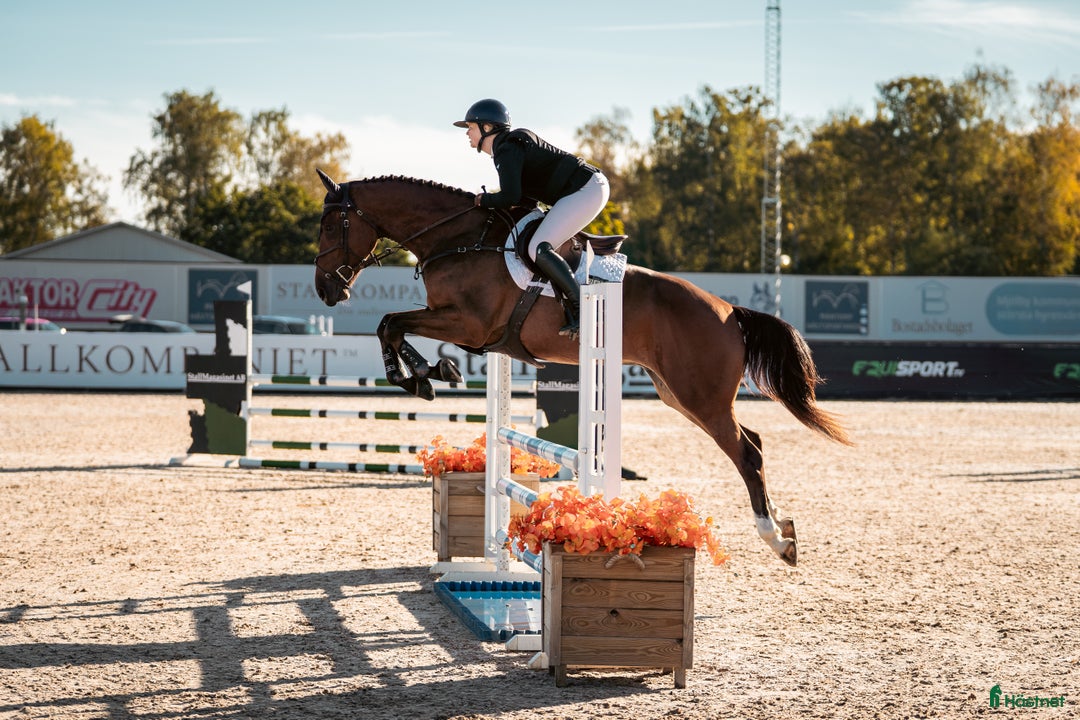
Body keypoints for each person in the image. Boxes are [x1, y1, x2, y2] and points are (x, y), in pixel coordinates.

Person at [453, 98, 610, 339]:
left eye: (470, 127)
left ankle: (582, 310)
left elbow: (511, 196)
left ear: (487, 128)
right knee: (534, 243)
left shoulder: (507, 148)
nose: (467, 134)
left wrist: (482, 201)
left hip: (587, 189)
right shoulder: (506, 149)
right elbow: (523, 200)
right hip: (582, 189)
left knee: (538, 246)